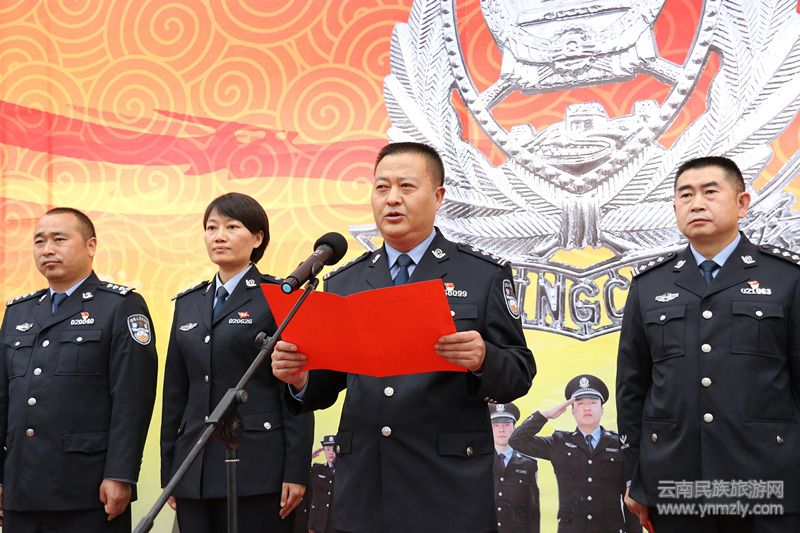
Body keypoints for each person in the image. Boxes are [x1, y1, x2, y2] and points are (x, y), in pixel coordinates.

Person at [271, 141, 535, 533]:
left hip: (447, 490)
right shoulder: (345, 281)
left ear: (438, 196)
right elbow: (329, 381)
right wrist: (300, 379)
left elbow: (519, 372)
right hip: (365, 488)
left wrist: (484, 359)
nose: (392, 199)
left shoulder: (481, 274)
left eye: (406, 187)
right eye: (382, 187)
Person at [616, 156, 800, 532]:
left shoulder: (786, 278)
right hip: (676, 483)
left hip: (769, 482)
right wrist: (634, 474)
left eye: (710, 192)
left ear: (742, 203)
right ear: (675, 208)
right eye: (686, 195)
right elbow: (633, 388)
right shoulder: (650, 285)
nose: (696, 203)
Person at [160, 193, 314, 533]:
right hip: (195, 466)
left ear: (257, 238)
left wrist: (295, 471)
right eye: (211, 228)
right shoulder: (188, 303)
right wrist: (170, 469)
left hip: (258, 467)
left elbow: (293, 390)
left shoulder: (278, 297)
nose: (219, 236)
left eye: (232, 227)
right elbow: (175, 394)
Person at [0, 207, 158, 533]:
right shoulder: (18, 312)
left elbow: (132, 400)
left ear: (91, 246)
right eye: (39, 241)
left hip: (86, 486)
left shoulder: (119, 306)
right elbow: (4, 399)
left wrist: (120, 474)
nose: (47, 249)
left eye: (59, 239)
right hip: (21, 486)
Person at [509, 375, 640, 533]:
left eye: (593, 402)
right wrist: (545, 415)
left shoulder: (619, 444)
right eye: (580, 403)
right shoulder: (559, 443)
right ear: (572, 410)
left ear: (602, 409)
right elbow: (516, 441)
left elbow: (630, 499)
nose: (587, 408)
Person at [489, 402, 540, 533]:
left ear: (515, 428)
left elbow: (533, 510)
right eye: (496, 425)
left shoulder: (528, 464)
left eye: (506, 425)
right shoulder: (480, 462)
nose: (501, 430)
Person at [307, 435, 337, 533]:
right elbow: (300, 475)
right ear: (323, 450)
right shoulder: (317, 469)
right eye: (328, 449)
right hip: (318, 521)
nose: (331, 452)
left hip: (336, 522)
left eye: (334, 449)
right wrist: (308, 459)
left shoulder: (345, 471)